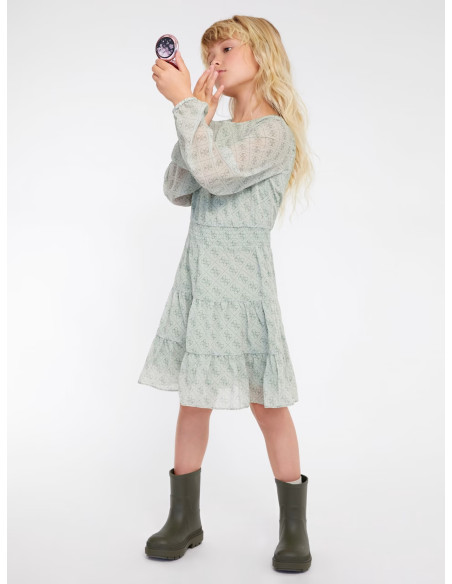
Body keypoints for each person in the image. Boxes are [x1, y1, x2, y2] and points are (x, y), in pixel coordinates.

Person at [140, 15, 315, 573]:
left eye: (226, 49)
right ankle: (183, 518)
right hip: (201, 275)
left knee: (269, 404)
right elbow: (177, 188)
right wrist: (196, 115)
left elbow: (216, 177)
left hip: (242, 280)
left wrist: (185, 110)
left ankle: (294, 529)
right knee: (193, 400)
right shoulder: (209, 127)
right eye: (209, 53)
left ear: (261, 54)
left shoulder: (274, 133)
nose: (214, 61)